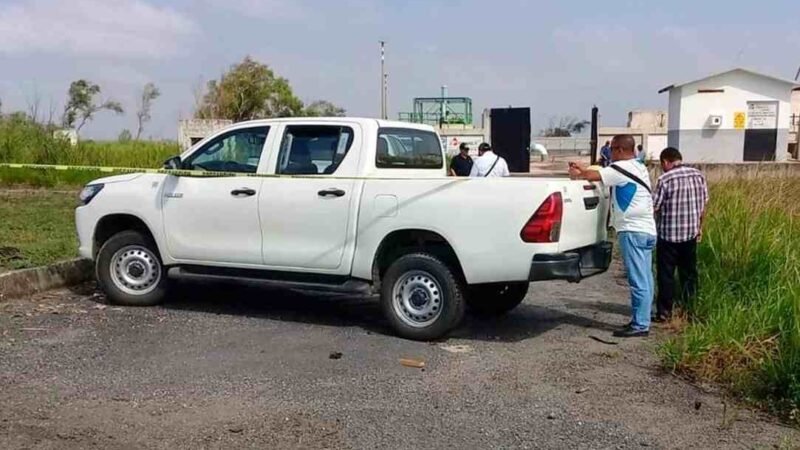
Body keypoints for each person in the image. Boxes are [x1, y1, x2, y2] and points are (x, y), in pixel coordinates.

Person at [568, 134, 657, 338]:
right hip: (647, 230)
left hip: (632, 231)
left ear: (618, 149)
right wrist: (584, 168)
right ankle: (643, 319)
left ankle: (640, 324)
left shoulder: (622, 168)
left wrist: (580, 170)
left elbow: (593, 176)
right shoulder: (639, 166)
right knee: (646, 278)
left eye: (611, 150)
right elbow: (600, 171)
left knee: (638, 280)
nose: (610, 154)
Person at [652, 147, 709, 322]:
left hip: (668, 235)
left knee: (666, 274)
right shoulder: (698, 176)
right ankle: (689, 308)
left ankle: (665, 312)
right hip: (690, 234)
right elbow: (703, 205)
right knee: (689, 273)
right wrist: (699, 227)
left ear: (665, 162)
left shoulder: (665, 179)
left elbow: (655, 206)